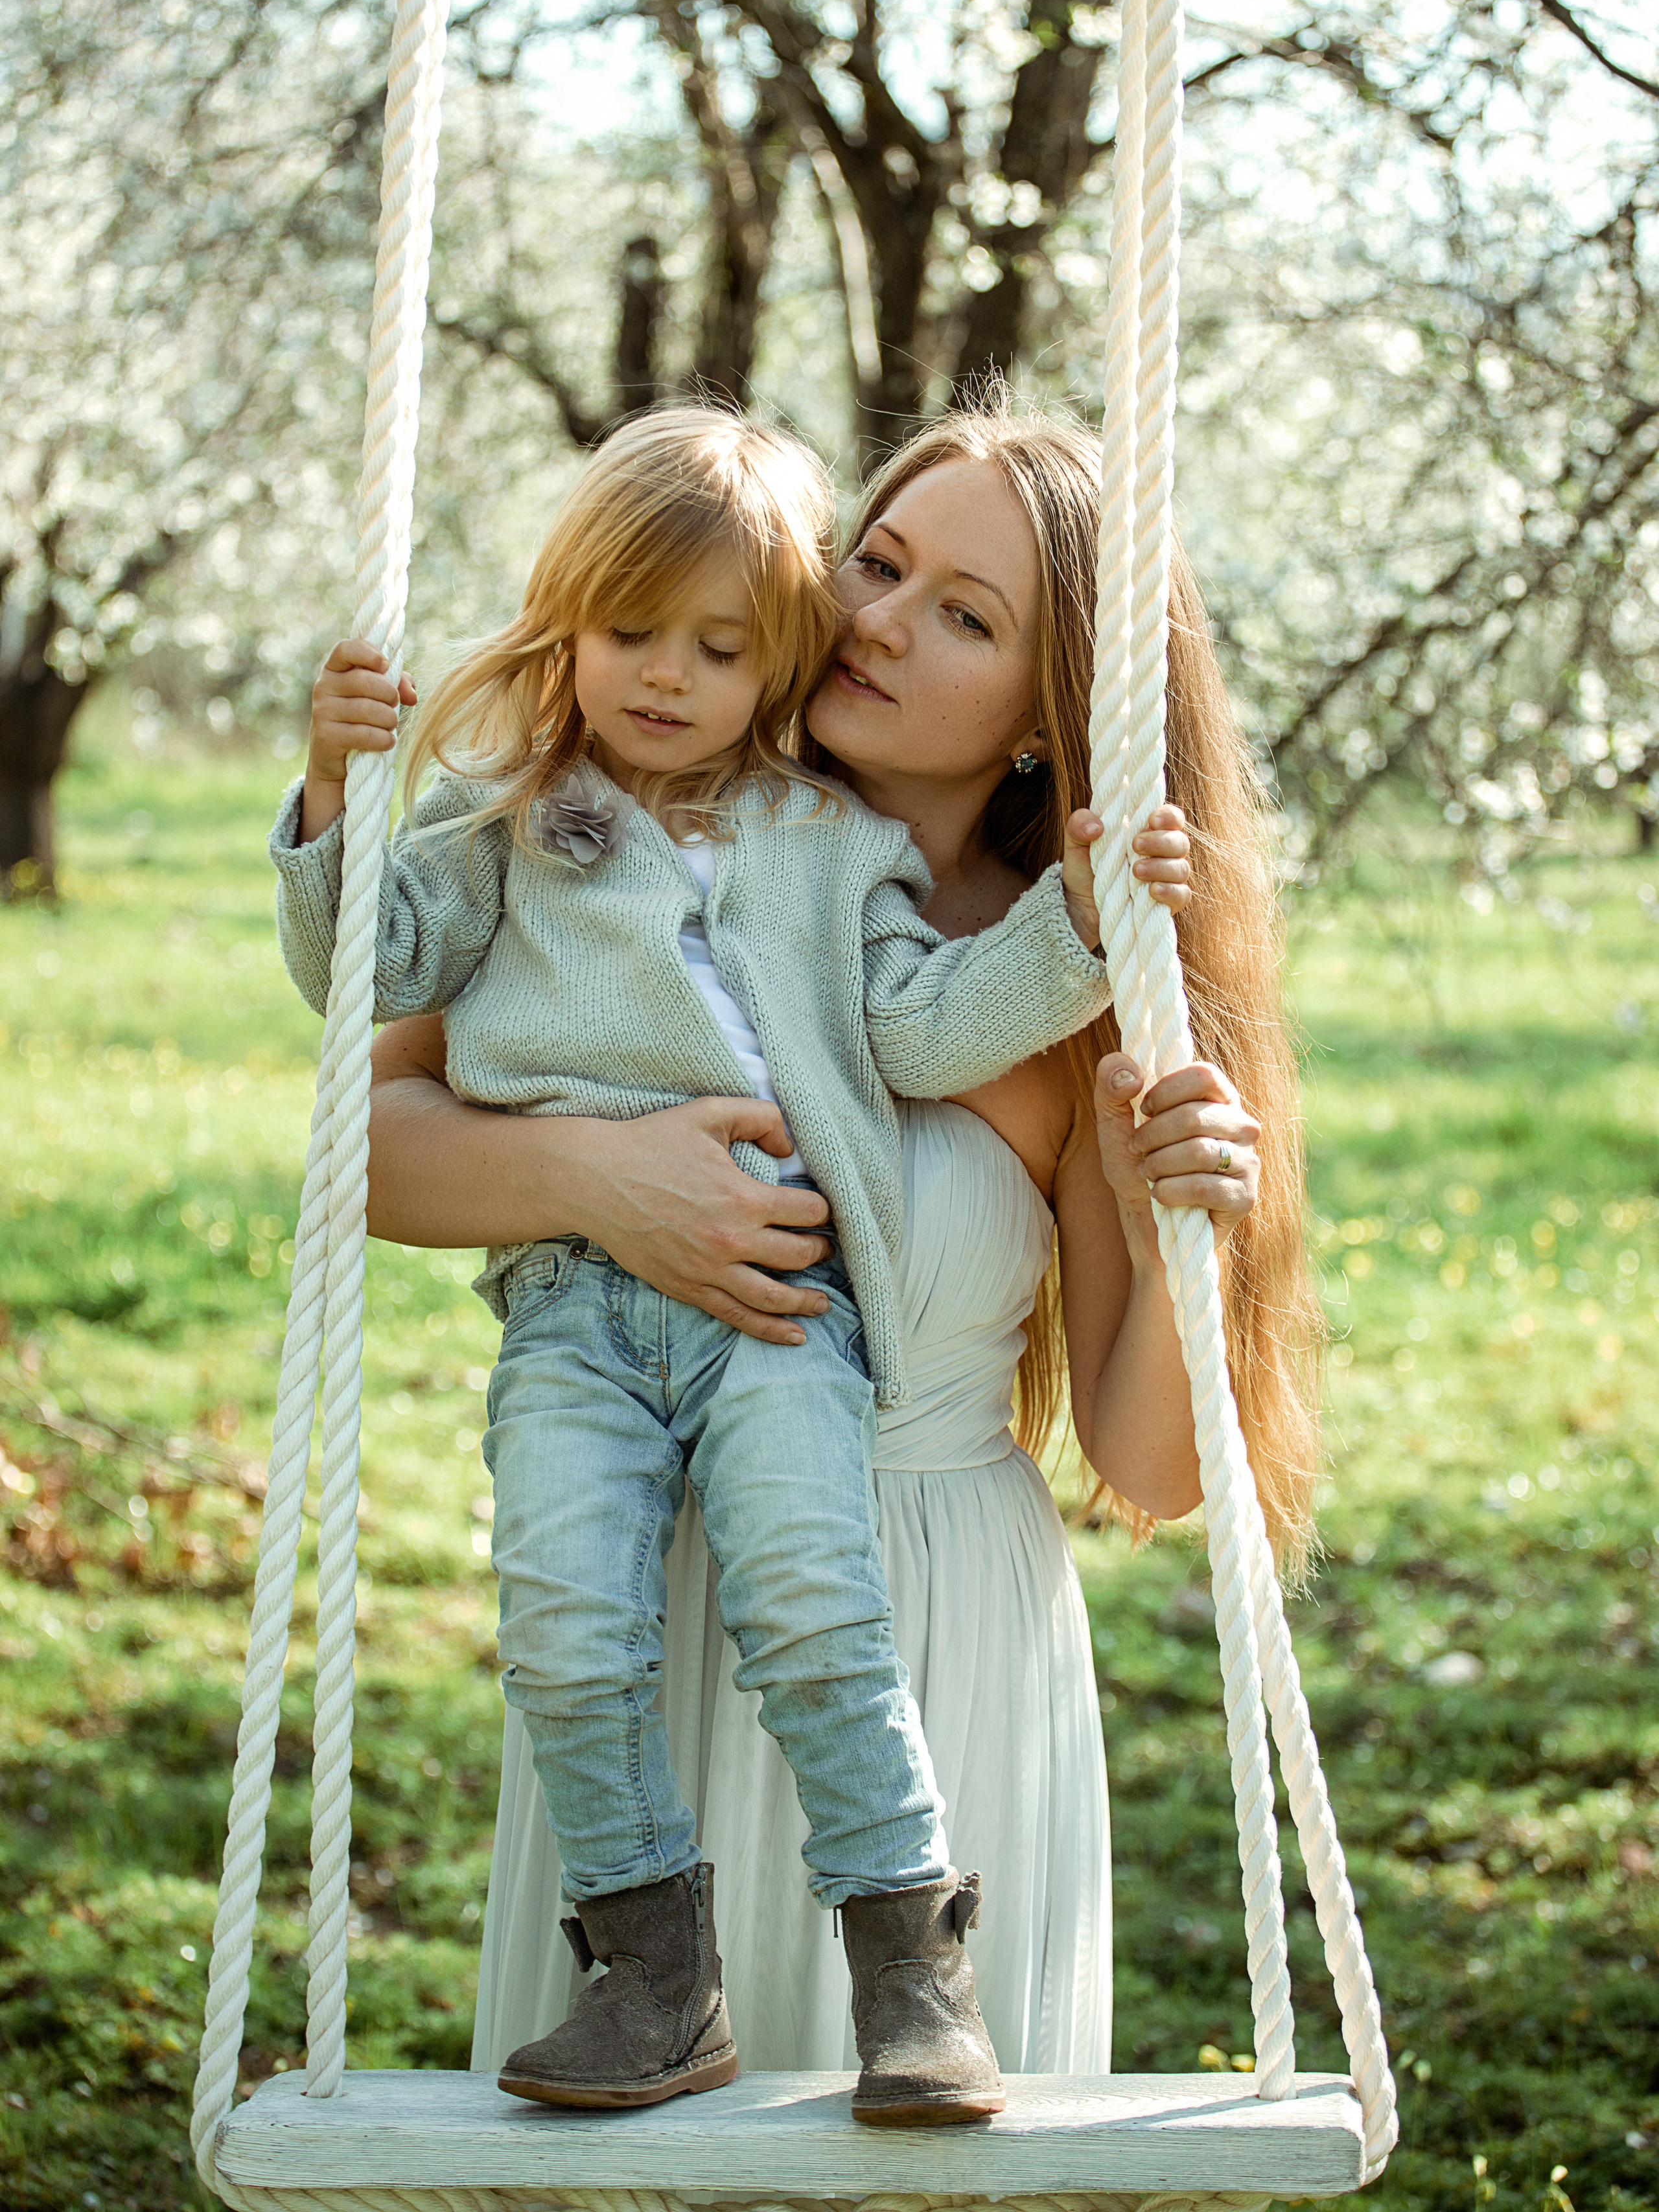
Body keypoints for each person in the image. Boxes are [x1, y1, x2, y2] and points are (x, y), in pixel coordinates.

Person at [362, 397, 1320, 2082]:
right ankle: (655, 1971)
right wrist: (601, 1177)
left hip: (943, 1628)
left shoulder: (1084, 993)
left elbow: (1149, 1465)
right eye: (878, 563)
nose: (879, 620)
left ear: (1050, 717)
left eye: (966, 615)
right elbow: (369, 1152)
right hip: (649, 1578)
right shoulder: (635, 857)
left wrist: (1194, 1222)